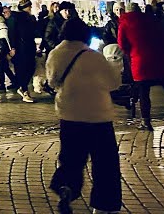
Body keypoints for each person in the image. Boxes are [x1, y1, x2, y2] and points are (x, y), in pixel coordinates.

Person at [47, 17, 122, 214]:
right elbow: (113, 82)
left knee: (71, 159)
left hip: (70, 116)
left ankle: (67, 188)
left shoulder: (55, 54)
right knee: (104, 164)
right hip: (98, 117)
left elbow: (53, 82)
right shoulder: (94, 56)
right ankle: (104, 204)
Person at [117, 3, 164, 130]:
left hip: (140, 63)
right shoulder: (151, 20)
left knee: (144, 94)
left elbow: (122, 44)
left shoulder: (124, 24)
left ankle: (146, 122)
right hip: (159, 59)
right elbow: (162, 37)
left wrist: (132, 53)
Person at [9, 0, 39, 102]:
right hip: (20, 48)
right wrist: (12, 47)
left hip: (29, 46)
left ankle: (22, 88)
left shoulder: (30, 18)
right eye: (29, 6)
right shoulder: (16, 18)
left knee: (30, 68)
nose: (30, 8)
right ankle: (24, 90)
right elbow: (12, 33)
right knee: (22, 69)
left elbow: (34, 31)